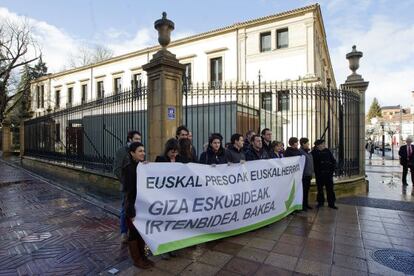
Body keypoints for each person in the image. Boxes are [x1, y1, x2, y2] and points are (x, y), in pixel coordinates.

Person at [123, 142, 154, 269]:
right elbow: (128, 192)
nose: (143, 153)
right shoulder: (128, 169)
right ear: (132, 153)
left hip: (143, 206)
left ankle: (143, 256)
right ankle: (137, 259)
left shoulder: (143, 166)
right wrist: (131, 212)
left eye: (143, 150)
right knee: (134, 233)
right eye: (140, 151)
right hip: (133, 207)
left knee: (142, 232)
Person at [113, 130, 141, 244]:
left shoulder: (140, 150)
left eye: (140, 139)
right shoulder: (121, 151)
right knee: (125, 208)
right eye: (136, 139)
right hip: (127, 186)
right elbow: (117, 169)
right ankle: (124, 232)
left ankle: (135, 230)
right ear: (130, 139)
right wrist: (126, 182)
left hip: (138, 186)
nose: (139, 141)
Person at [312, 139, 337, 209]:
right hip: (319, 175)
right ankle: (320, 202)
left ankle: (331, 203)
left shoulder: (327, 151)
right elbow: (313, 164)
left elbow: (333, 160)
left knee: (330, 189)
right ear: (318, 145)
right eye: (322, 144)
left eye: (324, 144)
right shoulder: (314, 153)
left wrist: (332, 170)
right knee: (320, 190)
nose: (324, 145)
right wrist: (317, 171)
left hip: (328, 174)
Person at [299, 137, 314, 211]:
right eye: (307, 143)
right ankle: (303, 205)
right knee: (303, 191)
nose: (308, 144)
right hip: (304, 176)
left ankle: (306, 204)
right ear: (303, 144)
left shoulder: (307, 151)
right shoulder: (300, 152)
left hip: (308, 175)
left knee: (307, 191)